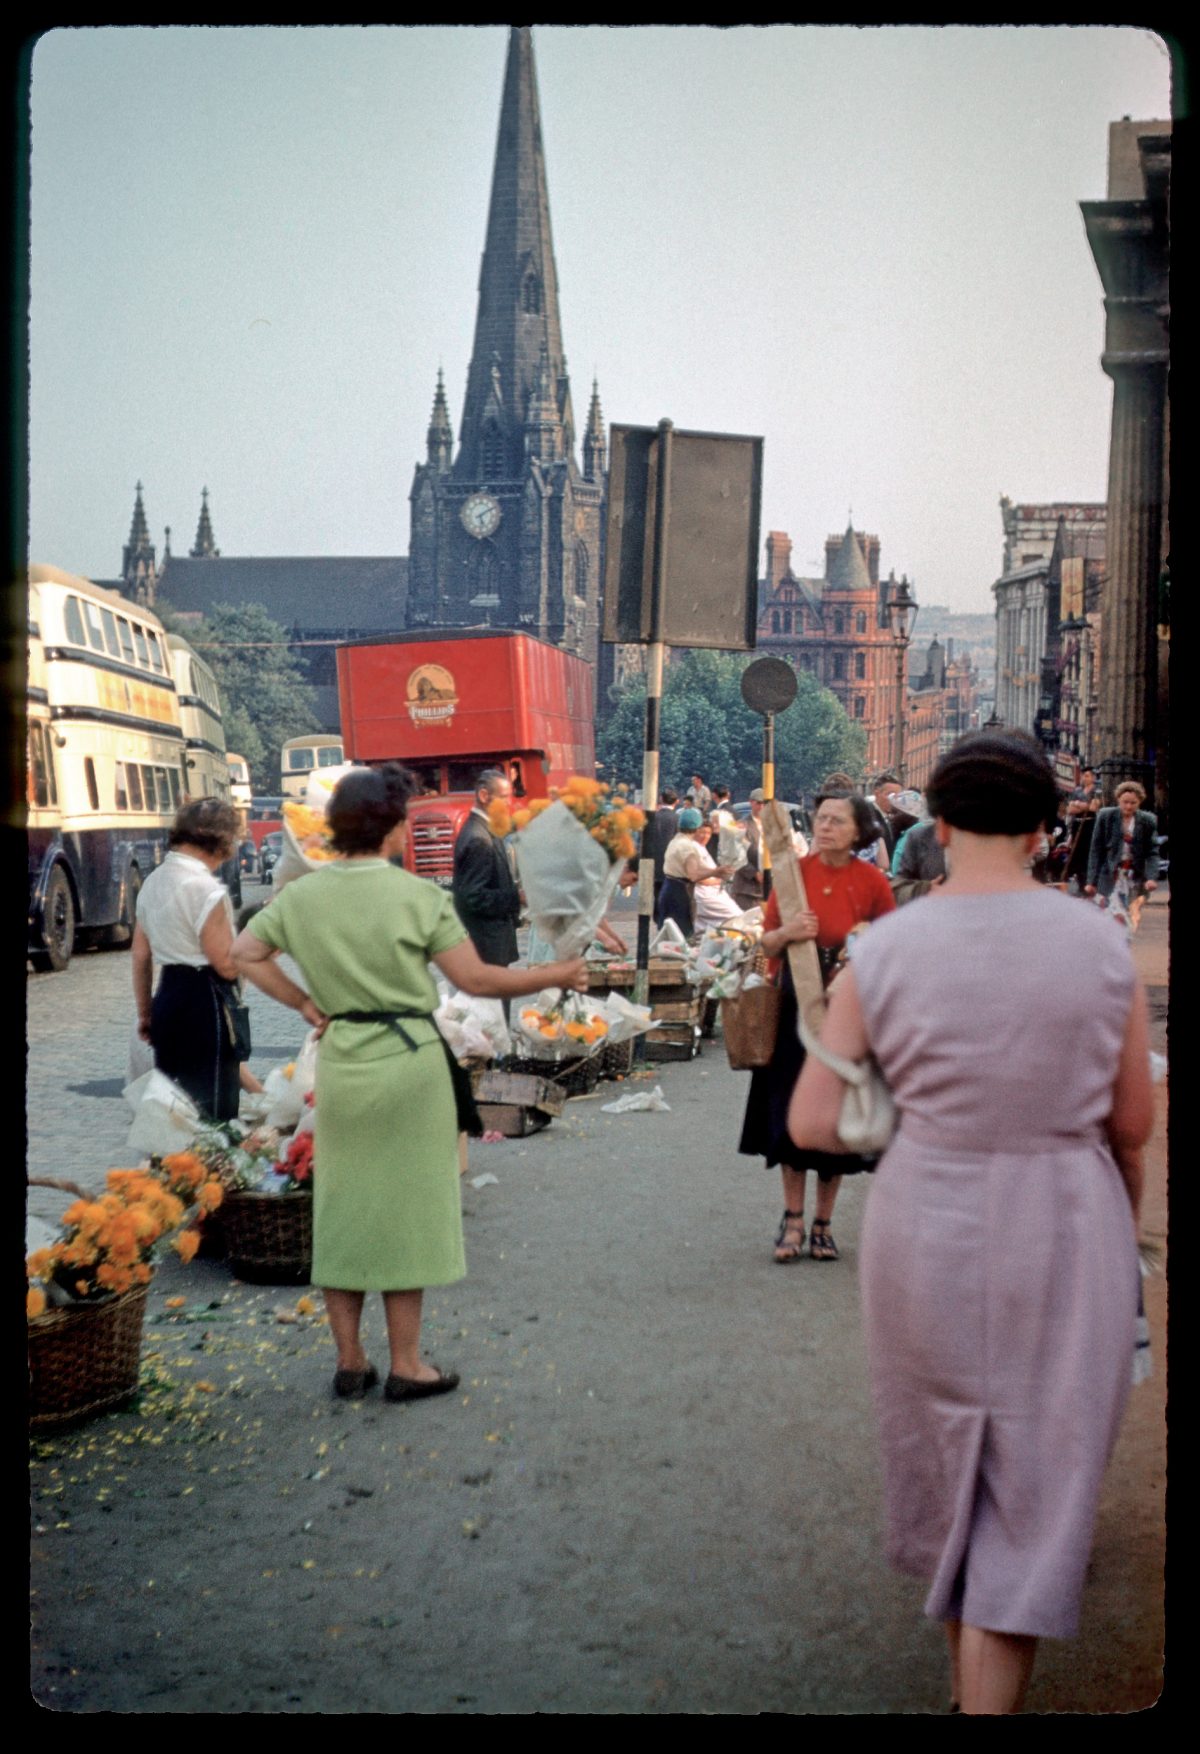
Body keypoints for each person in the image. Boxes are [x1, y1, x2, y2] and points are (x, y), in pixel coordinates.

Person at [787, 730, 1152, 1714]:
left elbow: (814, 1119)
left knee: (950, 1450)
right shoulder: (1097, 942)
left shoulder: (889, 945)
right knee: (1034, 1463)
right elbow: (1132, 1123)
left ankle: (968, 1687)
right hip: (1066, 1211)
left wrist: (931, 1119)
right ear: (1045, 827)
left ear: (937, 823)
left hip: (926, 1209)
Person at [231, 765, 588, 1403]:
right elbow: (477, 981)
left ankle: (349, 1361)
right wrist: (555, 973)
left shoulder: (300, 898)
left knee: (342, 1210)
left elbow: (243, 954)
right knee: (408, 1214)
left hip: (343, 1060)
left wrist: (308, 1006)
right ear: (394, 828)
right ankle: (407, 1364)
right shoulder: (418, 898)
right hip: (410, 1062)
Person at [738, 791, 895, 1262]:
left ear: (858, 832)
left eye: (837, 821)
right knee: (791, 1111)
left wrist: (855, 958)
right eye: (821, 819)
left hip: (846, 1010)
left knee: (836, 1118)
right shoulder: (793, 875)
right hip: (792, 1004)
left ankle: (824, 1223)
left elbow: (889, 947)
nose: (825, 827)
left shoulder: (872, 881)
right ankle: (793, 1219)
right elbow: (765, 942)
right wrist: (788, 933)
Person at [132, 797, 250, 1122]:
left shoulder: (153, 882)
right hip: (205, 999)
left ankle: (172, 1169)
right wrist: (258, 953)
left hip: (168, 994)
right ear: (221, 840)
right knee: (212, 1107)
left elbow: (141, 955)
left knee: (174, 1105)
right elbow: (224, 963)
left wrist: (145, 1012)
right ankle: (210, 1171)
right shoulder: (204, 888)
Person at [451, 768, 521, 969]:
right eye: (504, 797)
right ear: (483, 796)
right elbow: (473, 897)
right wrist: (517, 898)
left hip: (491, 946)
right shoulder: (478, 838)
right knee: (493, 1001)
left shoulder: (485, 830)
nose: (509, 803)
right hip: (486, 949)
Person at [1086, 781, 1160, 927]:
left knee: (1129, 919)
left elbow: (1152, 852)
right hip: (1110, 876)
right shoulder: (1105, 816)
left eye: (1133, 803)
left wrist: (1151, 877)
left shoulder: (1147, 820)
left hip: (1134, 877)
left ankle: (1122, 945)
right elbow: (1096, 851)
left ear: (1139, 802)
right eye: (1125, 802)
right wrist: (1091, 881)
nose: (1128, 806)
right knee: (1112, 917)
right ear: (1118, 799)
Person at [656, 808, 733, 937]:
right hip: (680, 893)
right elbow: (693, 875)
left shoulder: (676, 841)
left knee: (669, 933)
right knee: (681, 934)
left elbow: (694, 868)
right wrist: (715, 871)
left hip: (668, 889)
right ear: (697, 828)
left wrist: (715, 872)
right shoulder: (689, 847)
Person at [691, 824, 746, 929]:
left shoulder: (702, 848)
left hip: (712, 892)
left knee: (704, 928)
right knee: (736, 916)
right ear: (695, 832)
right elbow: (696, 875)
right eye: (702, 832)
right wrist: (717, 881)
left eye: (708, 833)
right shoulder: (694, 847)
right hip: (705, 895)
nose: (705, 836)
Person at [729, 790, 766, 912]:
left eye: (765, 803)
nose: (762, 807)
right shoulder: (742, 825)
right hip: (746, 890)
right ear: (751, 802)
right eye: (758, 803)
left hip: (768, 889)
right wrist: (755, 873)